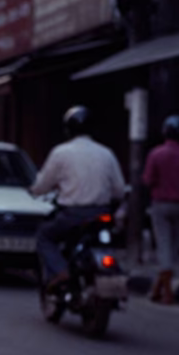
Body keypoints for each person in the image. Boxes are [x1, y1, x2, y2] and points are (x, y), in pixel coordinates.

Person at [31, 105, 126, 289]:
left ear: (68, 129)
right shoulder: (106, 153)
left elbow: (42, 185)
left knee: (44, 236)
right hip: (101, 215)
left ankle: (60, 270)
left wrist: (34, 190)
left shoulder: (60, 152)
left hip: (72, 215)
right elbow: (119, 190)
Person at [143, 115, 179, 304]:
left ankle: (166, 292)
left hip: (160, 204)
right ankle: (157, 290)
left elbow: (148, 180)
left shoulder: (156, 154)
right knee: (173, 249)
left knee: (164, 247)